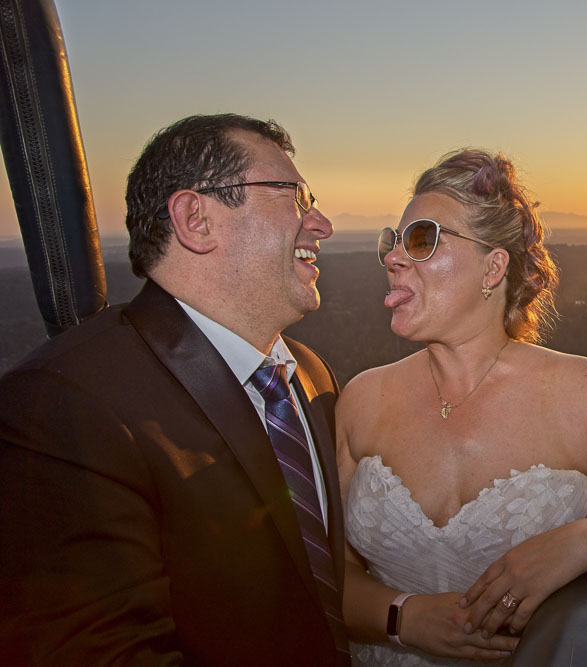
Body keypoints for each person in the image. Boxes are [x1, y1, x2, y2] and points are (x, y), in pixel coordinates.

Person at [336, 149, 587, 664]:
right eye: (392, 243)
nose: (393, 258)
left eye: (421, 240)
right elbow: (326, 571)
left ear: (493, 266)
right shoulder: (362, 400)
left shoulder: (579, 392)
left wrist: (584, 543)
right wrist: (402, 616)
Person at [0, 114, 351, 666]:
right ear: (197, 218)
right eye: (296, 196)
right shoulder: (63, 404)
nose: (322, 224)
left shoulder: (309, 375)